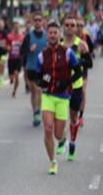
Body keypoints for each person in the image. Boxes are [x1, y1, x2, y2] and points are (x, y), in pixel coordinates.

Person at [35, 20, 82, 175]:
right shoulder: (42, 56)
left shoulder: (68, 53)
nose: (53, 35)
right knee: (48, 128)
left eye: (55, 32)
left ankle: (62, 140)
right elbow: (37, 76)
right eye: (50, 33)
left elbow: (78, 72)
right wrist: (41, 81)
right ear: (47, 35)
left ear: (59, 34)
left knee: (58, 133)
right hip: (48, 96)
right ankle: (52, 161)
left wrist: (66, 82)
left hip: (63, 97)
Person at [58, 16, 91, 161]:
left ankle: (72, 142)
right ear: (63, 27)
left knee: (73, 118)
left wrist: (79, 61)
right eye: (67, 25)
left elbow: (89, 63)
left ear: (76, 28)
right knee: (59, 117)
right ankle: (62, 139)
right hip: (61, 86)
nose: (70, 27)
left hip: (76, 86)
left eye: (73, 25)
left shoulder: (81, 44)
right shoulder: (58, 44)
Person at [21, 13, 47, 126]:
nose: (37, 22)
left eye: (39, 20)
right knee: (33, 91)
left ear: (42, 22)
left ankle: (37, 112)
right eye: (35, 20)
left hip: (43, 68)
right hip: (30, 67)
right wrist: (29, 49)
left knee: (38, 90)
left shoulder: (47, 35)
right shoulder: (28, 36)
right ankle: (35, 111)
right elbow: (22, 51)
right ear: (33, 22)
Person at [6, 21, 24, 98]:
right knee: (11, 77)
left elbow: (24, 47)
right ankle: (11, 78)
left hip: (18, 59)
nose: (17, 28)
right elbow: (6, 46)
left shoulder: (22, 37)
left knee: (17, 75)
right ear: (13, 27)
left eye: (18, 26)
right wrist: (8, 48)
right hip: (11, 59)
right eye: (15, 27)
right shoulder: (9, 36)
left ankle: (14, 91)